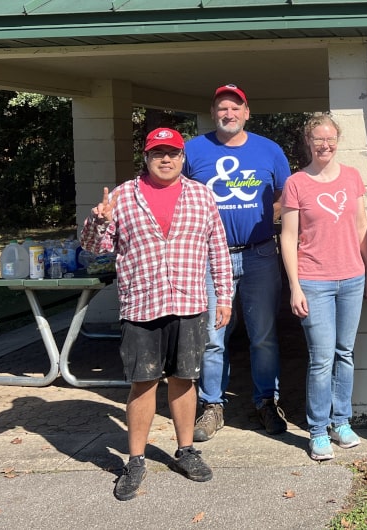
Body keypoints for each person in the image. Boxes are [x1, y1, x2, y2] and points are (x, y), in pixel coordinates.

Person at [81, 127, 234, 501]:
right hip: (141, 305)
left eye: (173, 153)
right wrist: (98, 220)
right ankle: (135, 460)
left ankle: (186, 451)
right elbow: (94, 249)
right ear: (146, 159)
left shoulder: (201, 195)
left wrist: (225, 297)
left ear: (183, 158)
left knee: (184, 379)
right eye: (157, 153)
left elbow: (219, 249)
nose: (166, 160)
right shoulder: (122, 197)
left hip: (189, 303)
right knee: (143, 383)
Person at [183, 84, 292, 440]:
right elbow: (175, 190)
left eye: (235, 108)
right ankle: (212, 405)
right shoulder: (193, 150)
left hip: (260, 253)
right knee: (214, 338)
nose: (228, 114)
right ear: (213, 114)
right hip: (211, 258)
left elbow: (284, 195)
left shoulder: (269, 150)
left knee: (263, 335)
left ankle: (265, 401)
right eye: (221, 109)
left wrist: (267, 217)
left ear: (247, 112)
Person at [279, 113, 367, 461]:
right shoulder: (296, 183)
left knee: (345, 354)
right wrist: (294, 286)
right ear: (308, 142)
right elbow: (288, 238)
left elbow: (361, 225)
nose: (325, 144)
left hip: (351, 277)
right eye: (318, 139)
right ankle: (318, 430)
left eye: (330, 138)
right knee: (321, 359)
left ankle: (341, 422)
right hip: (313, 281)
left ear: (337, 141)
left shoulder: (351, 177)